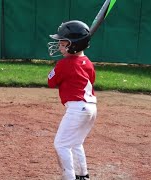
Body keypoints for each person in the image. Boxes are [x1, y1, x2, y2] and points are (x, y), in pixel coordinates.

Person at [47, 20, 97, 180]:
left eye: (63, 43)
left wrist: (56, 68)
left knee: (61, 145)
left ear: (74, 45)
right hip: (90, 108)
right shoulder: (88, 62)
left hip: (77, 109)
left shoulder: (65, 64)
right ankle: (83, 175)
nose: (60, 47)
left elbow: (51, 81)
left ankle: (69, 177)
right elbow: (92, 79)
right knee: (75, 143)